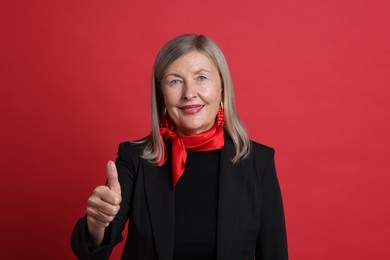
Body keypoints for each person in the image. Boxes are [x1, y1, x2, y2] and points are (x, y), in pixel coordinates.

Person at [71, 34, 288, 260]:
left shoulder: (258, 162)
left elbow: (275, 254)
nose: (189, 93)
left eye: (201, 78)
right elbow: (90, 251)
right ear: (162, 94)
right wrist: (96, 224)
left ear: (222, 87)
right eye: (175, 81)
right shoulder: (134, 159)